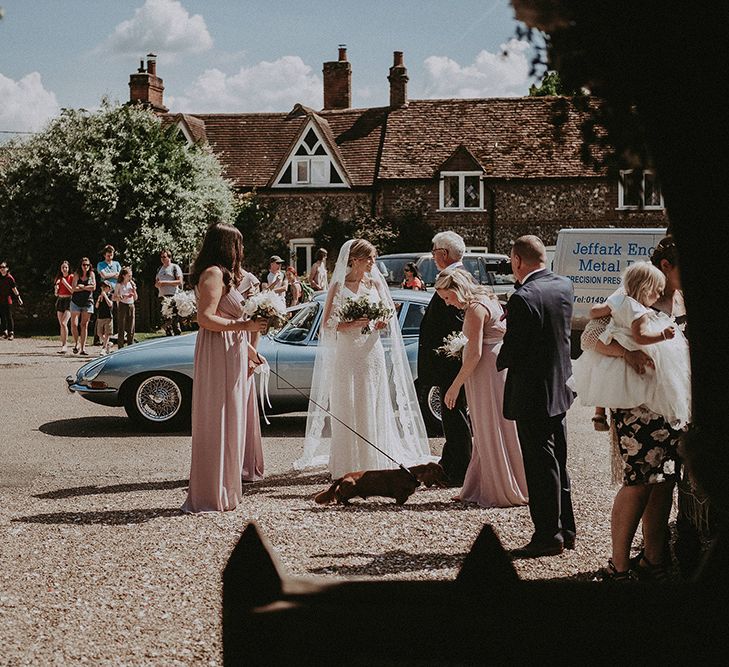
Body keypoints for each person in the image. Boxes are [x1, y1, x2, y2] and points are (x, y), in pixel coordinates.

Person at [295, 239, 434, 478]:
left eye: (373, 258)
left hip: (373, 351)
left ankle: (375, 458)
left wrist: (382, 321)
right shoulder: (338, 286)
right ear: (355, 260)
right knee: (350, 403)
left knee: (375, 401)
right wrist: (350, 323)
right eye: (369, 258)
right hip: (348, 353)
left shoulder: (374, 284)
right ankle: (349, 462)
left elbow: (388, 315)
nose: (373, 263)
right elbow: (326, 326)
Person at [496, 235, 576, 558]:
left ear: (517, 261)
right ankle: (567, 529)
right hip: (559, 387)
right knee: (558, 462)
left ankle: (547, 536)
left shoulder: (523, 297)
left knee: (540, 466)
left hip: (532, 395)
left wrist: (502, 348)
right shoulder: (563, 286)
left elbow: (512, 352)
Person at [181, 223, 268, 513]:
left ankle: (227, 489)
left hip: (234, 348)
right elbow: (205, 318)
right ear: (227, 245)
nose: (241, 251)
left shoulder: (226, 276)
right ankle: (210, 493)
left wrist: (252, 350)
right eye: (238, 245)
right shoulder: (213, 274)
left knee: (232, 419)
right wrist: (246, 325)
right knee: (218, 418)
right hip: (217, 351)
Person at [436, 269, 528, 508]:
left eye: (448, 297)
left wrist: (455, 386)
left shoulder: (475, 309)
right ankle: (482, 483)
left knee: (489, 425)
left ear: (457, 290)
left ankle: (500, 486)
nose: (448, 304)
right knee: (497, 425)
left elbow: (474, 353)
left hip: (485, 370)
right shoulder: (489, 299)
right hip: (497, 366)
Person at [572, 261, 690, 429]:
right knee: (626, 382)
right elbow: (591, 337)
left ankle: (599, 412)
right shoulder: (638, 308)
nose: (660, 294)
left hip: (663, 386)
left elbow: (594, 311)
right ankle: (600, 413)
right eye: (657, 291)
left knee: (606, 375)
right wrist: (662, 336)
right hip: (639, 396)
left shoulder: (620, 300)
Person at [418, 231, 473, 486]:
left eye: (434, 252)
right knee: (451, 419)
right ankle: (450, 463)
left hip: (450, 361)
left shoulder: (456, 277)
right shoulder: (453, 275)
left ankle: (459, 470)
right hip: (445, 360)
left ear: (444, 254)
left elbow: (457, 321)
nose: (432, 256)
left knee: (455, 416)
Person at [96, 245, 121, 346]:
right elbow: (103, 276)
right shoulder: (101, 264)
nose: (110, 257)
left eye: (111, 255)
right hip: (105, 291)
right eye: (108, 255)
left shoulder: (116, 263)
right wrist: (114, 274)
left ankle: (113, 335)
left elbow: (120, 275)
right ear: (104, 255)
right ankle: (98, 337)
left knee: (115, 312)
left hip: (116, 290)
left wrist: (111, 275)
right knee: (103, 312)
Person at [70, 258, 95, 356]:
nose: (86, 267)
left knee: (84, 325)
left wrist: (82, 287)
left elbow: (93, 287)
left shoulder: (91, 274)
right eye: (84, 265)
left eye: (87, 265)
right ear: (81, 265)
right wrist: (85, 288)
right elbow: (73, 288)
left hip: (87, 302)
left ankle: (83, 348)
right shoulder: (77, 274)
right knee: (74, 324)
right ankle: (76, 343)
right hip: (76, 302)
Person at [155, 249, 184, 335]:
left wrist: (165, 283)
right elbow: (156, 283)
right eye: (161, 257)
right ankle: (168, 333)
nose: (162, 259)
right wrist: (158, 285)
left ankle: (177, 333)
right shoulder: (160, 269)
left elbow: (179, 282)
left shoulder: (174, 267)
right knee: (165, 318)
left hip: (173, 296)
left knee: (174, 318)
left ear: (169, 257)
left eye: (164, 257)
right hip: (162, 296)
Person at [113, 267, 137, 348]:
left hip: (131, 304)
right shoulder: (119, 285)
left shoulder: (131, 284)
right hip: (123, 304)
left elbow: (136, 298)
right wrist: (121, 296)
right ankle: (120, 346)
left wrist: (134, 290)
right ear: (123, 276)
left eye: (131, 276)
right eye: (129, 276)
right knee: (121, 326)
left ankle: (130, 345)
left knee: (131, 327)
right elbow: (114, 297)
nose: (130, 277)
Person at [53, 260, 73, 353]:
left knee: (64, 323)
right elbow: (56, 294)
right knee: (61, 324)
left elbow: (73, 291)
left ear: (68, 268)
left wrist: (65, 283)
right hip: (60, 300)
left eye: (66, 267)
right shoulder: (58, 278)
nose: (64, 269)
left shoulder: (71, 277)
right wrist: (56, 289)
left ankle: (65, 345)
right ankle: (63, 344)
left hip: (69, 300)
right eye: (63, 267)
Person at [0, 261, 22, 340]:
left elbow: (14, 288)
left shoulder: (10, 278)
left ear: (7, 268)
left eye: (3, 267)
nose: (2, 269)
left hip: (7, 299)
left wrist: (18, 297)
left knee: (9, 316)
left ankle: (11, 333)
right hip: (0, 300)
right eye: (1, 267)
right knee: (2, 316)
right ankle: (4, 332)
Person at [95, 281, 114, 355]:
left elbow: (110, 304)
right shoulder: (100, 296)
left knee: (107, 333)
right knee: (99, 333)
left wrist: (105, 296)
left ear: (109, 288)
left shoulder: (111, 296)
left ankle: (104, 348)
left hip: (108, 317)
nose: (104, 288)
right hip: (100, 317)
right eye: (103, 287)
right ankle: (108, 343)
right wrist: (99, 300)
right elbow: (96, 306)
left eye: (106, 287)